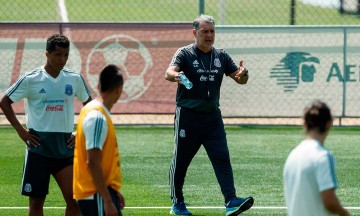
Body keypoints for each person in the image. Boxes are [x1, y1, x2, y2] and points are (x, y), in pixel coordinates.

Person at [165, 14, 254, 216]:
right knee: (181, 160)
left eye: (212, 31)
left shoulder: (221, 56)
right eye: (204, 31)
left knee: (222, 158)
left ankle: (231, 201)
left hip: (213, 117)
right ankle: (177, 203)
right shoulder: (184, 53)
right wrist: (176, 75)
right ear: (195, 33)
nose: (209, 35)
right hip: (188, 116)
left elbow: (240, 80)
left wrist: (243, 74)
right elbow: (168, 72)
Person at [0, 34, 92, 216]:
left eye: (65, 55)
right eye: (58, 55)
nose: (62, 60)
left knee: (75, 201)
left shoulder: (74, 79)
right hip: (38, 149)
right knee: (36, 204)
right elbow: (4, 102)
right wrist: (21, 132)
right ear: (47, 54)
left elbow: (91, 105)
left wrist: (80, 131)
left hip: (64, 148)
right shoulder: (31, 78)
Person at [73, 64, 125, 216]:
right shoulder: (97, 117)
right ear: (119, 89)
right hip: (95, 195)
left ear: (98, 85)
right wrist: (107, 200)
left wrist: (112, 191)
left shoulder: (93, 111)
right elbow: (93, 162)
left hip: (100, 192)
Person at [283, 100, 350, 216]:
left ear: (304, 125)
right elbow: (329, 201)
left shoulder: (292, 156)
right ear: (329, 123)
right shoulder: (323, 156)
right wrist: (344, 213)